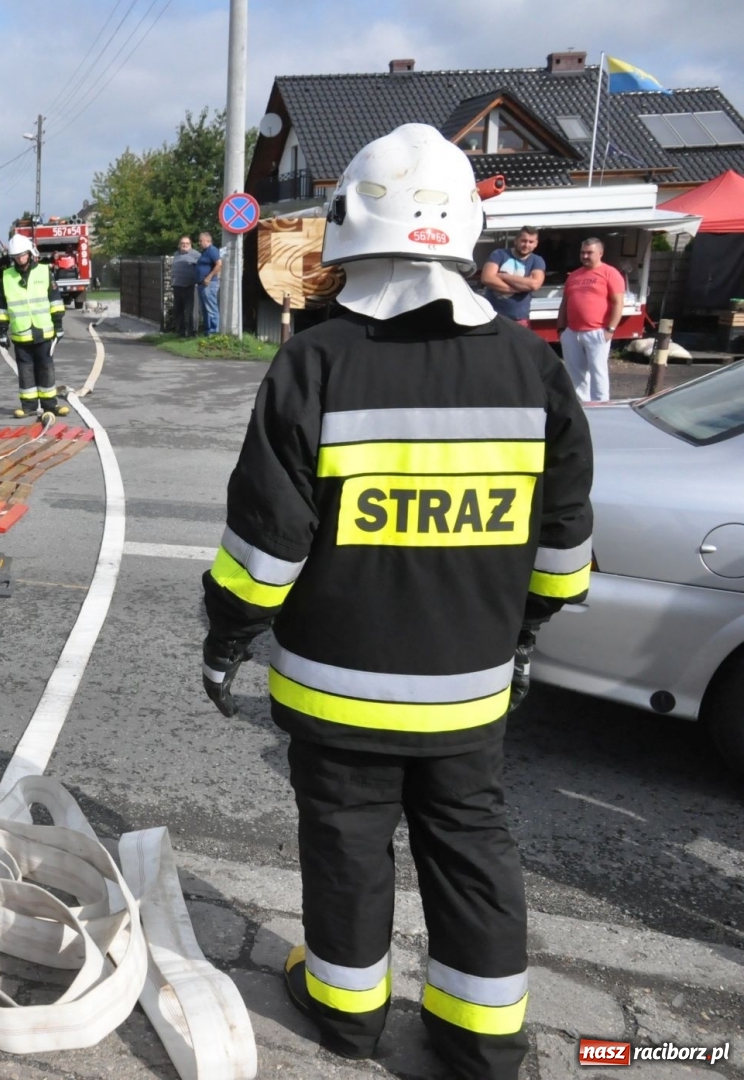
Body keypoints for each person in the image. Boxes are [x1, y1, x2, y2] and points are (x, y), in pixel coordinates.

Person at [199, 124, 593, 1080]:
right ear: (465, 234)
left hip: (337, 691)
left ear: (346, 236)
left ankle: (347, 1016)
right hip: (470, 689)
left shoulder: (316, 362)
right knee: (472, 846)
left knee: (346, 844)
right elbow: (566, 542)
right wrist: (528, 635)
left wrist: (227, 640)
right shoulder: (530, 367)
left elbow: (265, 544)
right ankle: (482, 1038)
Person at [0, 232, 68, 417]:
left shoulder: (44, 272)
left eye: (22, 255)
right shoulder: (6, 277)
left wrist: (58, 326)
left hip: (44, 332)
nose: (20, 259)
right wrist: (2, 332)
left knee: (46, 368)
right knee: (25, 371)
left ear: (30, 252)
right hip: (21, 333)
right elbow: (2, 308)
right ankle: (28, 407)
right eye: (16, 256)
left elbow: (55, 301)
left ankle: (50, 406)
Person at [559, 237, 625, 401]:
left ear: (600, 253)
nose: (585, 256)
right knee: (575, 373)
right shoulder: (573, 276)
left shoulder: (610, 273)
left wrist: (610, 329)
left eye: (590, 253)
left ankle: (601, 407)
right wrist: (561, 329)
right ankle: (582, 407)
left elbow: (618, 303)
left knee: (598, 371)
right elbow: (564, 303)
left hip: (597, 331)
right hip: (572, 332)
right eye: (583, 252)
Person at [479, 226, 546, 327]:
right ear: (516, 241)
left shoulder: (537, 260)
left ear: (536, 244)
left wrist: (503, 276)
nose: (526, 245)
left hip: (519, 319)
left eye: (531, 242)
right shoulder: (499, 254)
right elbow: (487, 278)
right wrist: (521, 288)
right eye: (523, 240)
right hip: (492, 316)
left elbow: (535, 284)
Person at [169, 235, 202, 336]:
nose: (184, 245)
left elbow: (200, 268)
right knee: (178, 310)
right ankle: (181, 331)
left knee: (190, 310)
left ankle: (192, 332)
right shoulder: (176, 254)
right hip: (177, 285)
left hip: (189, 286)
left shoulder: (196, 255)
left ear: (191, 245)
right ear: (179, 245)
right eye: (183, 243)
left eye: (187, 243)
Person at [197, 231, 223, 335]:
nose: (199, 243)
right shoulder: (204, 251)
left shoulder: (212, 250)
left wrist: (209, 277)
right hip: (202, 284)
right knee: (205, 309)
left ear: (207, 240)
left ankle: (214, 332)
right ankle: (207, 331)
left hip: (209, 284)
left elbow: (219, 264)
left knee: (211, 308)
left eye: (200, 241)